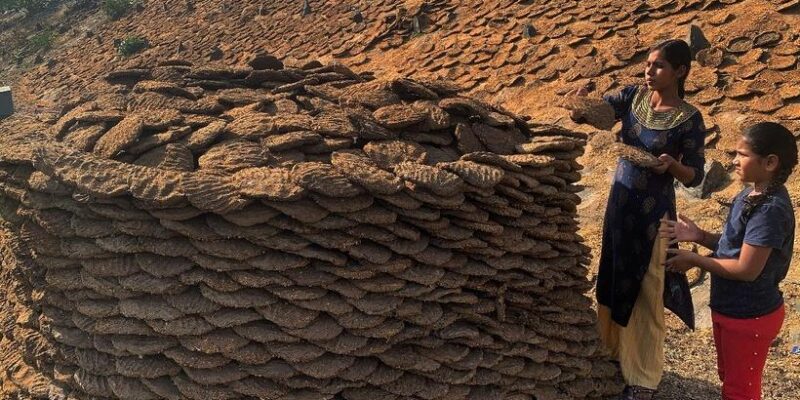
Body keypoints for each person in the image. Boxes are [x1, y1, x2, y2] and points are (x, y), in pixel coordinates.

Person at [576, 39, 708, 400]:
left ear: (680, 72)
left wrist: (673, 165)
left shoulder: (690, 119)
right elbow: (598, 114)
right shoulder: (632, 96)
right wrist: (580, 103)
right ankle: (611, 351)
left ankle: (643, 376)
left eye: (659, 66)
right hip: (620, 202)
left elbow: (695, 175)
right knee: (614, 274)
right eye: (648, 65)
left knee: (649, 287)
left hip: (653, 214)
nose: (649, 72)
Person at [661, 121, 797, 400]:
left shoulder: (769, 210)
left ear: (770, 162)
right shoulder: (750, 195)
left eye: (742, 155)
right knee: (730, 379)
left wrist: (695, 260)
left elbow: (746, 269)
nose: (734, 161)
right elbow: (734, 247)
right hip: (730, 307)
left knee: (740, 391)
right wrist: (699, 235)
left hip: (750, 314)